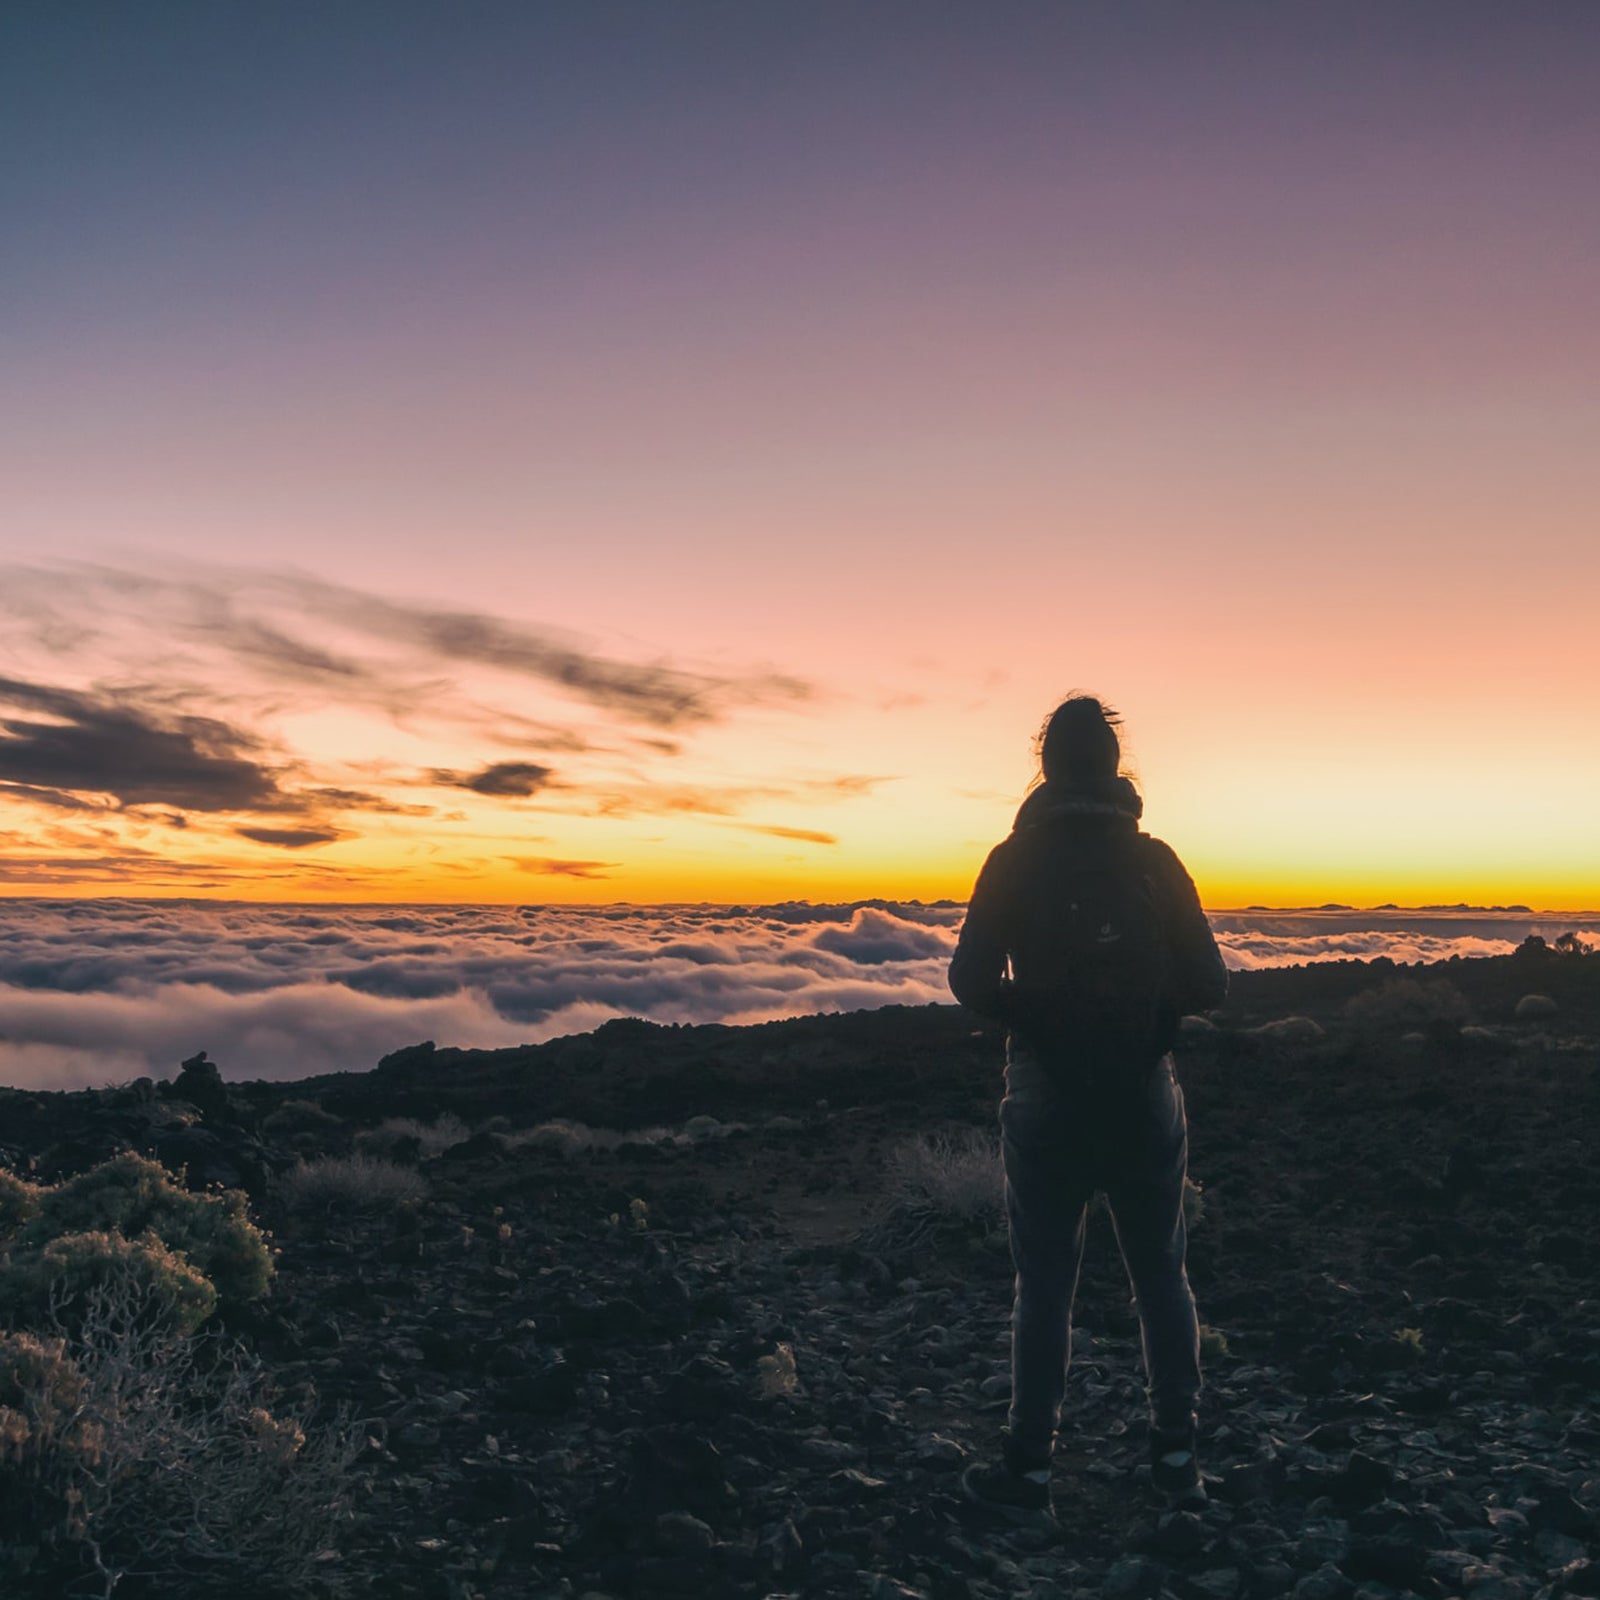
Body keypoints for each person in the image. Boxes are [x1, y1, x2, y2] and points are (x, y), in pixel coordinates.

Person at [948, 695, 1228, 1526]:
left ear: (1046, 768)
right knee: (1160, 1276)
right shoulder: (1155, 861)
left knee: (1045, 1286)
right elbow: (1210, 983)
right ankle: (1177, 1464)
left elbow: (968, 983)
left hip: (1044, 1094)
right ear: (1114, 770)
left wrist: (1036, 1018)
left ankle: (1029, 1472)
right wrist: (1149, 1023)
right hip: (1144, 1091)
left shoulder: (1013, 861)